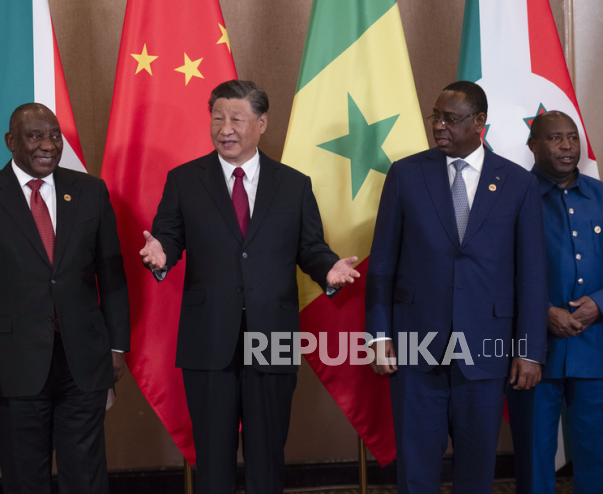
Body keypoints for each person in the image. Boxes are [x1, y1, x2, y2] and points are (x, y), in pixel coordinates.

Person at [139, 79, 359, 494]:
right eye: (218, 117)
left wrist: (328, 269)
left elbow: (310, 246)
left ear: (261, 123)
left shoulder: (293, 184)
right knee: (213, 457)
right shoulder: (185, 180)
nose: (226, 127)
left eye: (236, 118)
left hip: (272, 337)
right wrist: (161, 255)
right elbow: (168, 236)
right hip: (208, 338)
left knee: (267, 455)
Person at [365, 81, 548, 493]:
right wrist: (378, 335)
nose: (439, 126)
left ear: (479, 122)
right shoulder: (406, 174)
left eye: (451, 118)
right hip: (415, 347)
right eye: (436, 117)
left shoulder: (518, 183)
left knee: (477, 472)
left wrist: (530, 350)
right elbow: (382, 266)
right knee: (415, 472)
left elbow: (532, 274)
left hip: (487, 349)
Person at [0, 102, 130, 494]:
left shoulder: (90, 191)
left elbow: (111, 273)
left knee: (86, 474)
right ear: (11, 141)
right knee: (25, 476)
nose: (48, 145)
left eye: (54, 136)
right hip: (12, 362)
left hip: (83, 359)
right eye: (35, 136)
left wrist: (117, 344)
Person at [523, 110, 603, 493]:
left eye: (572, 136)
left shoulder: (601, 195)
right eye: (555, 138)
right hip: (535, 348)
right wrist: (542, 312)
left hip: (595, 346)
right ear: (532, 144)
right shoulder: (513, 197)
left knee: (597, 451)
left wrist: (601, 303)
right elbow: (495, 271)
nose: (568, 145)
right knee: (535, 453)